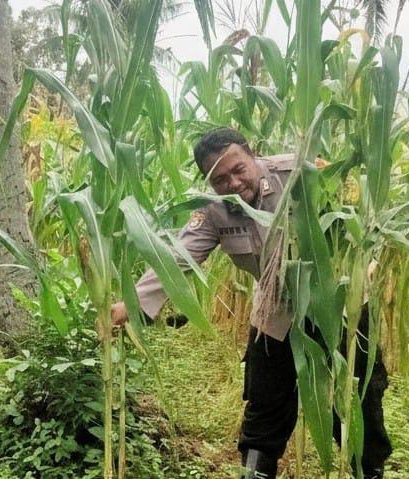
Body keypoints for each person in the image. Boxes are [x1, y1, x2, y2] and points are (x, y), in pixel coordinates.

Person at [110, 128, 392, 479]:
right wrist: (130, 305)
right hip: (275, 313)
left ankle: (369, 470)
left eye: (239, 169)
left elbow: (360, 215)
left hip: (338, 307)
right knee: (264, 412)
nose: (233, 183)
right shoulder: (212, 210)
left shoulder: (301, 173)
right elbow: (177, 258)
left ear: (252, 153)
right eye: (220, 179)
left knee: (356, 403)